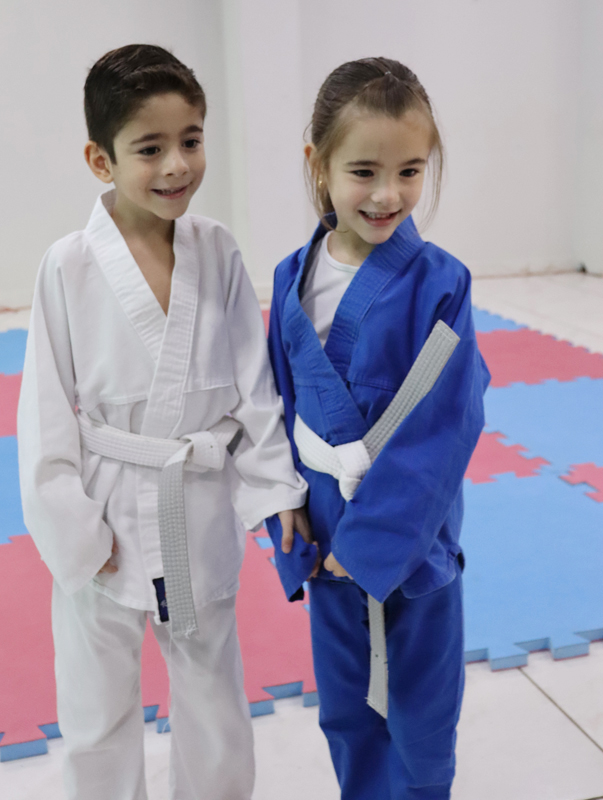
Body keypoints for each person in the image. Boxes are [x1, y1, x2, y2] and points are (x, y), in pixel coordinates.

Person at [17, 44, 308, 800]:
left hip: (198, 508)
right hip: (106, 516)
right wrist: (74, 531)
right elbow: (45, 411)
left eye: (191, 139)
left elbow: (253, 388)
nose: (177, 165)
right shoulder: (68, 265)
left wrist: (275, 490)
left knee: (215, 706)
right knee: (96, 714)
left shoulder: (217, 249)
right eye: (150, 148)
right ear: (101, 159)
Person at [266, 57, 490, 799]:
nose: (387, 194)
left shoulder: (442, 283)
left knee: (422, 720)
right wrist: (282, 501)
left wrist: (367, 550)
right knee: (345, 711)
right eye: (363, 171)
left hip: (409, 536)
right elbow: (275, 403)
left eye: (410, 171)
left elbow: (444, 428)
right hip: (323, 528)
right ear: (318, 164)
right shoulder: (290, 278)